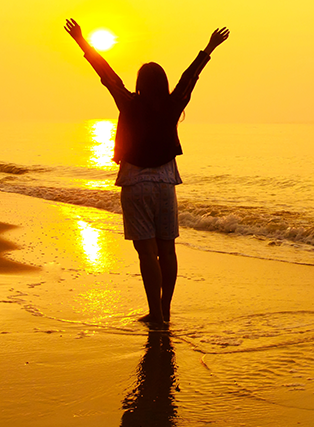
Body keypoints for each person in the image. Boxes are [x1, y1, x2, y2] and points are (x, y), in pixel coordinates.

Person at [64, 18, 229, 328]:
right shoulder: (172, 104)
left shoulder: (129, 102)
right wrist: (209, 48)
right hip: (166, 183)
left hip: (136, 184)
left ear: (140, 83)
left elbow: (106, 74)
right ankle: (165, 311)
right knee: (167, 249)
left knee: (146, 253)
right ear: (163, 83)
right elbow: (189, 77)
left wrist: (81, 41)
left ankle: (155, 313)